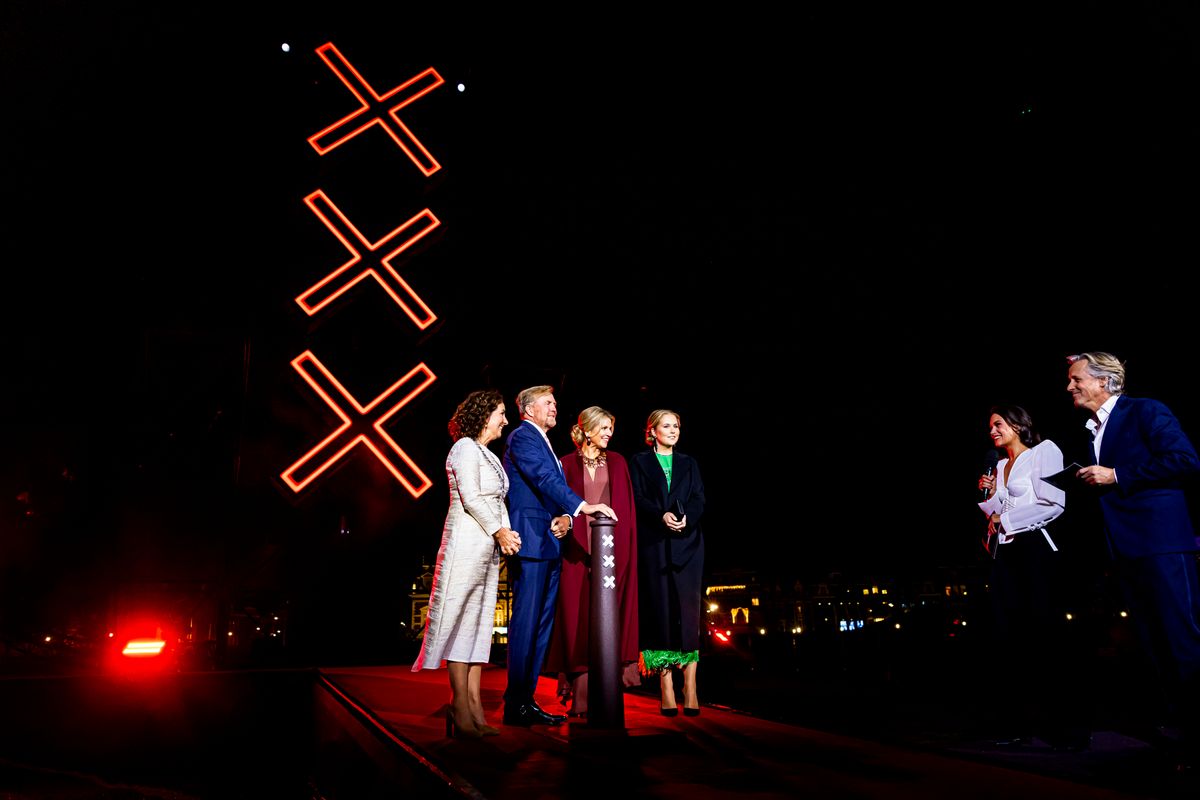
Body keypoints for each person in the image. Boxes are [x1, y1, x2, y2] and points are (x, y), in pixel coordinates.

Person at [1066, 351, 1200, 771]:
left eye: (1076, 379)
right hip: (1125, 550)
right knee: (1154, 644)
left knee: (1181, 639)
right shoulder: (1092, 433)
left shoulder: (1146, 410)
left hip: (1161, 543)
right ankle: (1178, 731)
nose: (1069, 387)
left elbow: (1184, 460)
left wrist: (1115, 474)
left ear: (1104, 381)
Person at [501, 385, 616, 726]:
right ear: (528, 408)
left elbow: (548, 487)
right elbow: (544, 477)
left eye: (554, 403)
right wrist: (581, 506)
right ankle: (515, 703)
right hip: (532, 541)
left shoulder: (542, 439)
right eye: (547, 403)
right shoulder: (523, 437)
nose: (555, 407)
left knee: (540, 626)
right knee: (526, 624)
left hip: (549, 542)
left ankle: (526, 700)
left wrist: (565, 517)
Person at [975, 403, 1089, 750]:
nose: (992, 430)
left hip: (1037, 550)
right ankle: (1014, 723)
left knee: (1047, 635)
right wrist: (989, 496)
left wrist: (1004, 520)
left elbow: (1053, 504)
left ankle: (1068, 727)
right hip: (1005, 554)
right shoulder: (998, 464)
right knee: (1007, 637)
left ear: (1018, 424)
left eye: (998, 424)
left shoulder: (1045, 451)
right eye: (990, 426)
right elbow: (997, 513)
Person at [412, 389, 523, 739]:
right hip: (465, 542)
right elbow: (471, 496)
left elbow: (495, 498)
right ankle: (460, 706)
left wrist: (507, 533)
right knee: (461, 621)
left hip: (486, 549)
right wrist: (500, 530)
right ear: (484, 414)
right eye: (501, 413)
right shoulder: (462, 448)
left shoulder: (486, 454)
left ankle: (475, 707)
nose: (505, 420)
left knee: (478, 625)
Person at [545, 406, 641, 718]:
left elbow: (626, 513)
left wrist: (622, 555)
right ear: (586, 430)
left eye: (611, 428)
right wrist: (561, 520)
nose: (609, 434)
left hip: (612, 554)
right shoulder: (565, 463)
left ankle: (608, 694)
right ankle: (581, 693)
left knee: (609, 620)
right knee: (576, 618)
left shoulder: (618, 462)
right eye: (603, 428)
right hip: (574, 552)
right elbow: (557, 504)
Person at [629, 409, 706, 716]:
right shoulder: (639, 462)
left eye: (676, 425)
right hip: (655, 544)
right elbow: (636, 497)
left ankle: (691, 685)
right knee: (660, 612)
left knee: (688, 615)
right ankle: (666, 687)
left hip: (688, 545)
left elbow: (700, 498)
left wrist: (688, 518)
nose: (673, 430)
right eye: (666, 426)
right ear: (653, 431)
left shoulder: (690, 463)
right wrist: (658, 515)